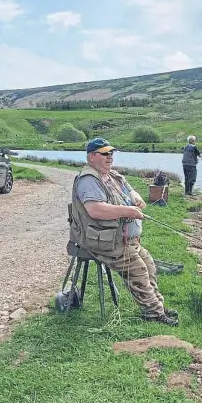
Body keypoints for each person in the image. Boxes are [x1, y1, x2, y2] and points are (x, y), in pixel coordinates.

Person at [69, 137, 178, 326]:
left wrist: (135, 197)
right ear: (92, 157)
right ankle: (153, 313)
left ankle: (157, 306)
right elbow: (95, 209)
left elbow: (129, 189)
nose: (109, 157)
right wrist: (128, 211)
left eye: (111, 153)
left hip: (124, 239)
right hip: (105, 242)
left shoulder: (113, 175)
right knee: (138, 270)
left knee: (149, 265)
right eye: (105, 154)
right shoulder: (88, 181)